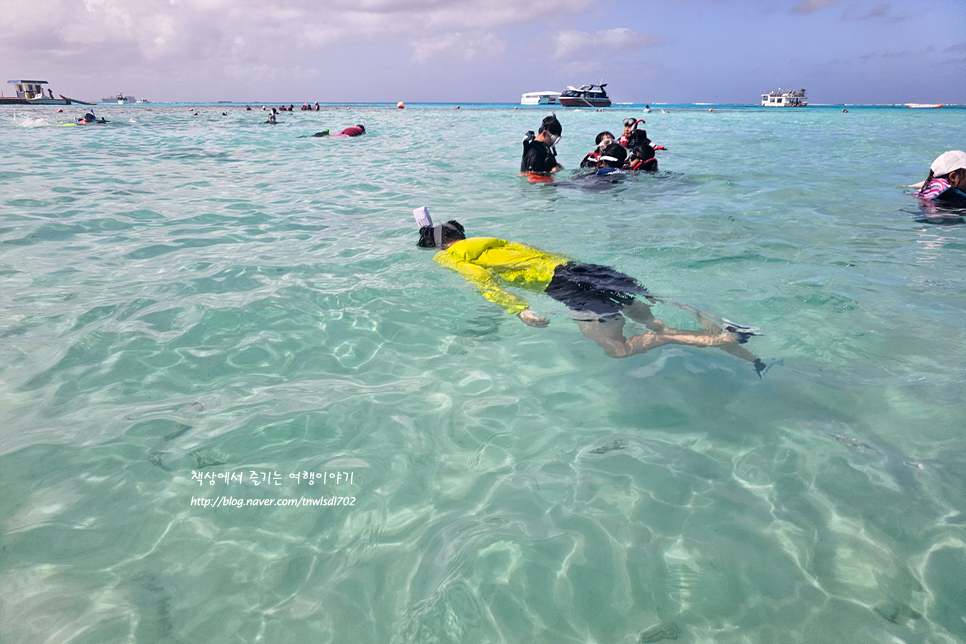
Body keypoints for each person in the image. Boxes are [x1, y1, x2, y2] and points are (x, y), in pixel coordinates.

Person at [413, 207, 776, 376]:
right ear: (461, 233)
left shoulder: (452, 257)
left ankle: (722, 337)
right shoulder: (490, 241)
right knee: (655, 319)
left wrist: (518, 309)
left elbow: (483, 283)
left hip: (565, 286)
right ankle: (745, 351)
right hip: (586, 269)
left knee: (617, 350)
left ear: (440, 247)